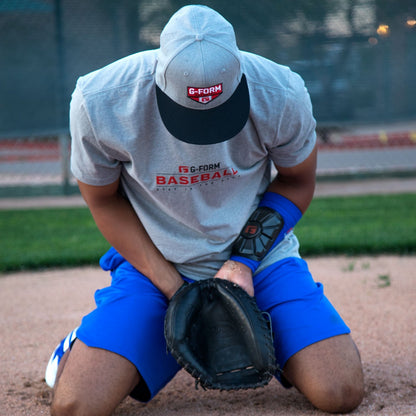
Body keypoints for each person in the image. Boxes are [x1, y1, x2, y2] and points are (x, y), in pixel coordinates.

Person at [45, 5, 364, 415]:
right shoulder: (101, 100)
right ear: (159, 76)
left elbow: (297, 180)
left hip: (258, 260)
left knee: (339, 392)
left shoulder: (281, 91)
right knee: (76, 407)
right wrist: (175, 289)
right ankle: (84, 339)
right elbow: (103, 200)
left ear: (239, 73)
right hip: (157, 262)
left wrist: (242, 265)